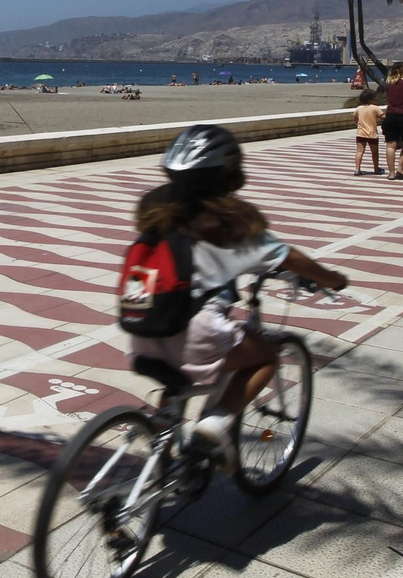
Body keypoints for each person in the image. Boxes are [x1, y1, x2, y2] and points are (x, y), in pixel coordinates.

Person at [126, 125, 348, 470]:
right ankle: (215, 426)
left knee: (178, 380)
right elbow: (288, 257)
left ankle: (160, 460)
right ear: (229, 173)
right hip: (193, 333)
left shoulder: (155, 212)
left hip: (143, 331)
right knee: (265, 355)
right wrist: (333, 279)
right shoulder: (229, 222)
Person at [353, 90, 383, 176]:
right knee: (374, 153)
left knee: (359, 151)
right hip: (372, 134)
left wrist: (358, 125)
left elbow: (355, 117)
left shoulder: (359, 108)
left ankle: (357, 169)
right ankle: (376, 168)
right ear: (371, 99)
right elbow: (382, 117)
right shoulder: (375, 108)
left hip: (361, 133)